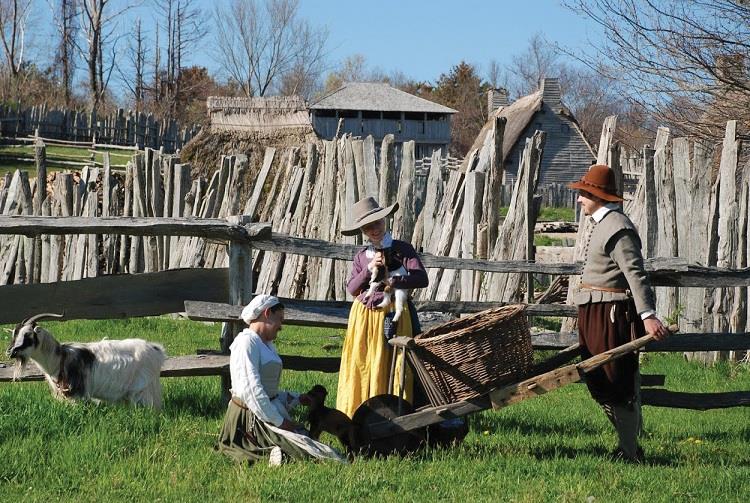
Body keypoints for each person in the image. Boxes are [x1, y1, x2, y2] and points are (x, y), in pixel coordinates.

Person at [569, 164, 669, 463]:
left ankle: (630, 452)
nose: (579, 200)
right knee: (600, 380)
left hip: (609, 314)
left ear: (596, 195)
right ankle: (629, 448)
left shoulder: (618, 227)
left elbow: (635, 275)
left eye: (583, 195)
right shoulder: (603, 224)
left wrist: (647, 314)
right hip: (595, 311)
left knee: (616, 382)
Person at [217, 295, 346, 465]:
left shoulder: (266, 344)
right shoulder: (246, 343)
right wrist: (280, 422)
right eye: (280, 319)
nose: (281, 326)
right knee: (312, 454)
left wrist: (297, 398)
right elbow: (252, 391)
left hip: (266, 411)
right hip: (250, 419)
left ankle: (277, 450)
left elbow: (269, 390)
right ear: (267, 313)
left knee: (316, 447)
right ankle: (269, 451)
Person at [336, 197, 429, 418]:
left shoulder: (402, 249)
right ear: (363, 231)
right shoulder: (361, 257)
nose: (374, 229)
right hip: (365, 317)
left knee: (397, 361)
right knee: (365, 361)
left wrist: (395, 282)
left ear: (384, 221)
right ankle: (362, 412)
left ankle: (399, 412)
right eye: (368, 227)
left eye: (377, 223)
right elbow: (352, 289)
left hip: (395, 313)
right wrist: (369, 270)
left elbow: (421, 278)